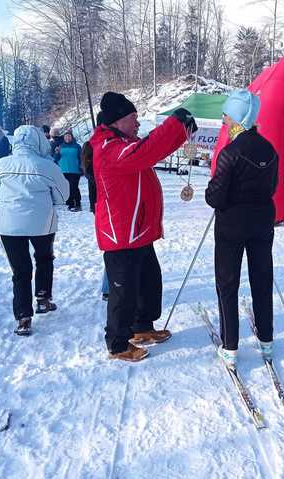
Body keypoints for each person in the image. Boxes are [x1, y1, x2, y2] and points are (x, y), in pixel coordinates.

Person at [91, 91, 196, 362]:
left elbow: (152, 148)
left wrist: (180, 132)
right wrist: (174, 124)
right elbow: (146, 152)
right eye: (133, 118)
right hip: (121, 234)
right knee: (123, 292)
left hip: (138, 232)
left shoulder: (125, 142)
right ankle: (117, 344)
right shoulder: (108, 147)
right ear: (117, 121)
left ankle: (142, 327)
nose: (138, 123)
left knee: (149, 283)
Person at [204, 89, 278, 369]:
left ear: (236, 119)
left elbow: (216, 196)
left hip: (231, 225)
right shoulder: (269, 149)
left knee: (227, 283)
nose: (223, 120)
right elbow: (272, 187)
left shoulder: (230, 152)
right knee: (262, 279)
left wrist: (213, 190)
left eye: (225, 115)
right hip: (261, 222)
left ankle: (230, 347)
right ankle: (267, 341)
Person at [0, 125, 70, 336]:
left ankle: (23, 317)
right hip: (42, 223)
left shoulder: (0, 165)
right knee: (44, 258)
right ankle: (42, 298)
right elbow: (62, 195)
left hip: (9, 225)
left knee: (20, 270)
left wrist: (7, 204)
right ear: (39, 141)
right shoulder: (47, 166)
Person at [81, 112, 109, 300]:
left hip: (107, 199)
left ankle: (109, 286)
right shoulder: (90, 145)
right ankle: (108, 287)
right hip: (100, 199)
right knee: (112, 245)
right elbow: (89, 173)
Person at [54, 130, 82, 211]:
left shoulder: (77, 146)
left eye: (69, 136)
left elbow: (81, 157)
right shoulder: (60, 147)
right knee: (67, 187)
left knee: (74, 187)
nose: (67, 138)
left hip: (75, 170)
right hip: (63, 171)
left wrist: (81, 166)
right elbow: (56, 158)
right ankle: (70, 203)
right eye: (66, 136)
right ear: (64, 138)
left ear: (72, 137)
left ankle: (77, 203)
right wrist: (57, 153)